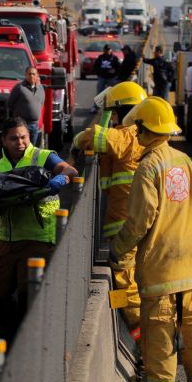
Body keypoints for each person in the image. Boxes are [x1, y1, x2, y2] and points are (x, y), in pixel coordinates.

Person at [110, 96, 192, 382]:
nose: (135, 133)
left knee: (160, 323)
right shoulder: (185, 161)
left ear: (145, 128)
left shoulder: (149, 167)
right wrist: (191, 244)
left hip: (160, 266)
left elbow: (139, 221)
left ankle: (158, 380)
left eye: (137, 128)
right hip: (190, 262)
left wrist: (120, 249)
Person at [0, 117, 78, 343]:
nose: (20, 142)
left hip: (38, 238)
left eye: (23, 137)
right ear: (3, 141)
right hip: (8, 239)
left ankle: (24, 343)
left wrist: (62, 178)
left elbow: (69, 169)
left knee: (29, 292)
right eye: (14, 138)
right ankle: (2, 335)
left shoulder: (42, 156)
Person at [72, 81, 147, 338]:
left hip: (124, 226)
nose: (112, 119)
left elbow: (96, 137)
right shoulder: (144, 136)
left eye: (114, 113)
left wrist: (78, 140)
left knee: (125, 282)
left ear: (122, 111)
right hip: (137, 222)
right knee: (136, 279)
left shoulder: (127, 135)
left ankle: (143, 339)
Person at [7, 67, 44, 145]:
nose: (31, 76)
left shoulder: (41, 88)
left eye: (33, 74)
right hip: (22, 125)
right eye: (29, 74)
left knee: (32, 148)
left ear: (37, 75)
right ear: (25, 75)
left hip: (35, 124)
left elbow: (41, 103)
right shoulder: (19, 88)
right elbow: (10, 104)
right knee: (22, 147)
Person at [91, 44, 120, 113]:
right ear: (104, 50)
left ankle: (114, 108)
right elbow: (95, 66)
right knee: (99, 93)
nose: (107, 51)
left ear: (111, 50)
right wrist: (99, 73)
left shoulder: (115, 58)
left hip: (111, 78)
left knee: (113, 93)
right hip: (102, 77)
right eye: (106, 50)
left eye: (108, 49)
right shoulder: (100, 57)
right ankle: (95, 107)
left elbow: (119, 67)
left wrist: (114, 72)